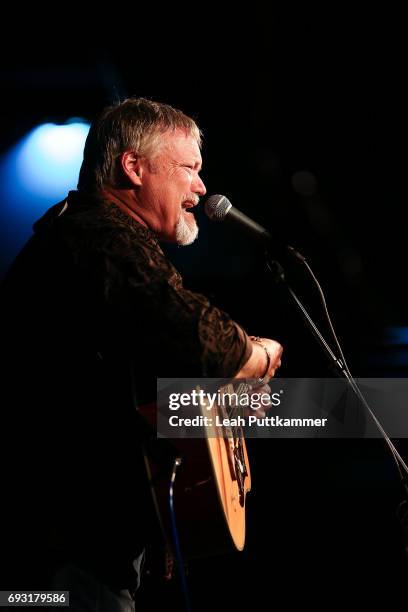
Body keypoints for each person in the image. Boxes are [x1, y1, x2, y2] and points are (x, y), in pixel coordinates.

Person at [0, 98, 282, 610]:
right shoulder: (98, 233)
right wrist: (259, 354)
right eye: (189, 169)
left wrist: (220, 395)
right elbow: (199, 338)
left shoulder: (109, 244)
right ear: (134, 167)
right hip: (59, 550)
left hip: (86, 545)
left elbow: (133, 377)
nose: (202, 187)